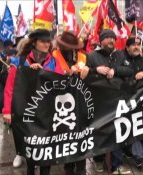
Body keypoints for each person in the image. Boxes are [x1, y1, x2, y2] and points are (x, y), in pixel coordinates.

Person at [2, 29, 63, 175]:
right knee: (31, 149)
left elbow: (61, 83)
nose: (47, 44)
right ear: (34, 42)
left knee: (47, 152)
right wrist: (7, 111)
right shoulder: (20, 61)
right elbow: (10, 88)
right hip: (26, 112)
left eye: (48, 41)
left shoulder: (54, 61)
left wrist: (44, 73)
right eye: (43, 41)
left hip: (48, 113)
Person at [86, 29, 133, 174]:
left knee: (117, 131)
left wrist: (116, 70)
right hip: (99, 99)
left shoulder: (119, 54)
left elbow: (129, 70)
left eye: (113, 38)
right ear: (101, 41)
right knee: (100, 130)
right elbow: (85, 76)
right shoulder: (91, 56)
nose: (111, 40)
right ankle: (99, 160)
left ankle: (116, 164)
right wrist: (95, 70)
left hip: (117, 98)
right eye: (107, 38)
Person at [53, 31, 88, 175]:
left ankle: (81, 167)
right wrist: (67, 73)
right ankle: (68, 166)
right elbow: (50, 75)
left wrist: (88, 70)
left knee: (81, 135)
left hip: (80, 102)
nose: (70, 49)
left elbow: (88, 74)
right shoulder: (54, 56)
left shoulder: (82, 57)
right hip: (61, 102)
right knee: (66, 136)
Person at [121, 37, 143, 168]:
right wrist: (132, 74)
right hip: (123, 99)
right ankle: (128, 151)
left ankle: (138, 156)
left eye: (138, 44)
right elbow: (116, 71)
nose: (137, 47)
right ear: (127, 47)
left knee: (135, 126)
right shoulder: (120, 57)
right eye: (133, 45)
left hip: (138, 99)